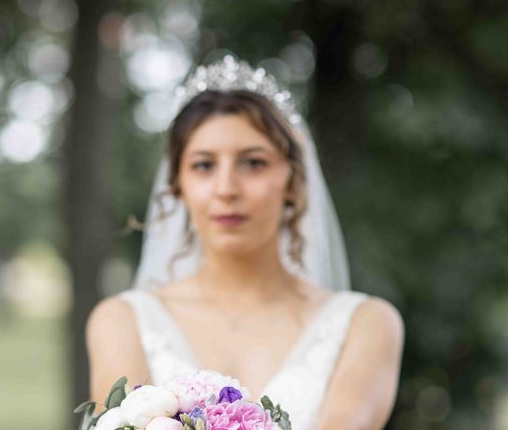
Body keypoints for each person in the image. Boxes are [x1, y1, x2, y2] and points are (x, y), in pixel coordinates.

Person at [85, 56, 404, 430]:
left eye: (253, 163)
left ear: (293, 179)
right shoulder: (122, 321)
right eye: (204, 165)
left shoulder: (365, 325)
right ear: (178, 185)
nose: (226, 189)